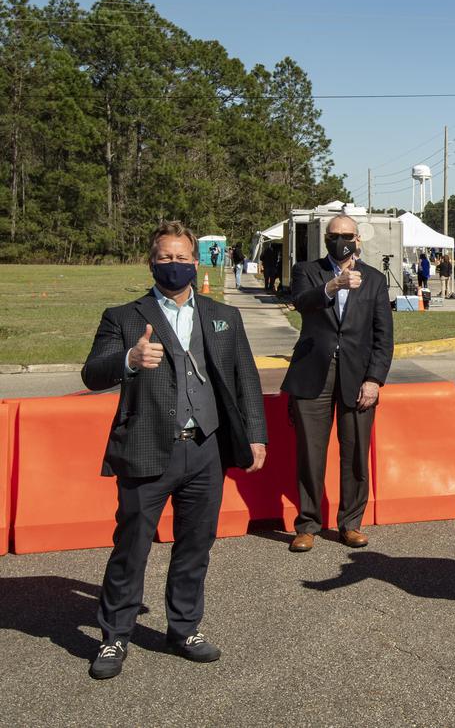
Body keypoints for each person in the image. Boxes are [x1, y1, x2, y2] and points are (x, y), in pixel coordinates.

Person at [80, 220, 268, 680]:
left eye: (183, 257)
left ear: (196, 262)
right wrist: (128, 360)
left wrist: (256, 435)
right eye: (166, 257)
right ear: (151, 262)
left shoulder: (224, 316)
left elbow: (246, 379)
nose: (175, 264)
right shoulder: (123, 316)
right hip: (146, 449)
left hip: (205, 449)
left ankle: (183, 628)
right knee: (132, 546)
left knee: (195, 545)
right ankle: (115, 635)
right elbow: (92, 373)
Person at [282, 214, 393, 553]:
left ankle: (351, 523)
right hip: (313, 373)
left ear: (358, 239)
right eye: (334, 235)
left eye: (347, 234)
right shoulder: (307, 271)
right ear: (325, 238)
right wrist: (334, 285)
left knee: (356, 452)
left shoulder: (374, 279)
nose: (341, 240)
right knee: (311, 454)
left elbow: (383, 335)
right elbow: (300, 301)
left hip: (357, 377)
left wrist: (374, 379)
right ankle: (308, 524)